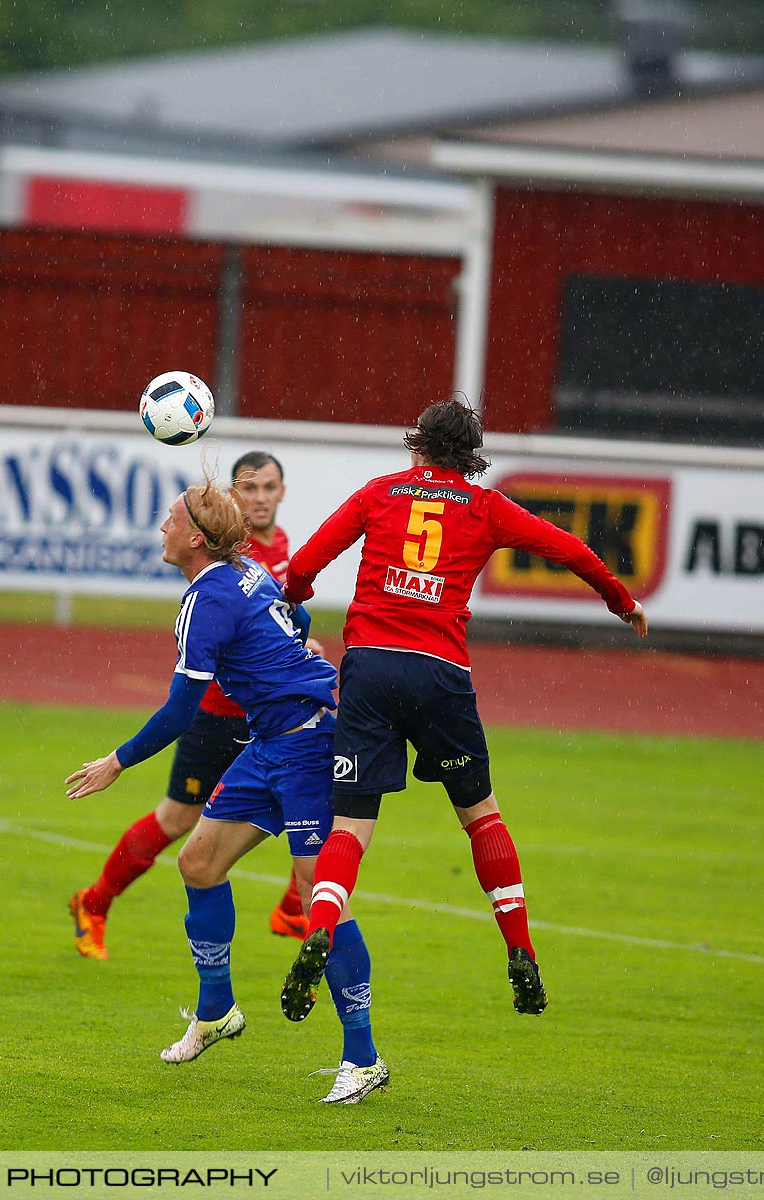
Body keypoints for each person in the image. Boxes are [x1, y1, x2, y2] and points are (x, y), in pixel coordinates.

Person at [277, 398, 647, 1024]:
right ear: (469, 455)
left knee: (350, 826)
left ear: (416, 444)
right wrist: (620, 601)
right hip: (441, 673)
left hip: (368, 667)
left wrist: (294, 598)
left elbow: (307, 563)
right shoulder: (487, 507)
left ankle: (321, 926)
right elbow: (573, 552)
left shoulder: (379, 493)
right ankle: (521, 948)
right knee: (480, 817)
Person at [65, 471, 388, 1104]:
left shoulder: (206, 598)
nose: (162, 527)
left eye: (170, 519)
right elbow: (293, 613)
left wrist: (117, 762)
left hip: (309, 743)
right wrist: (298, 654)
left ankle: (364, 1057)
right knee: (198, 861)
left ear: (194, 538)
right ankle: (216, 1011)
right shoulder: (244, 573)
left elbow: (182, 709)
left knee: (317, 893)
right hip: (272, 740)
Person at [68, 452, 314, 959]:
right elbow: (183, 704)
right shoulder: (232, 570)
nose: (261, 498)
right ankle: (94, 902)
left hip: (268, 721)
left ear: (282, 493)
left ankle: (295, 909)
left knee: (309, 804)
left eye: (270, 487)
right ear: (231, 506)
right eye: (251, 489)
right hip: (218, 716)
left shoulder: (277, 550)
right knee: (179, 820)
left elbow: (295, 613)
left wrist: (293, 643)